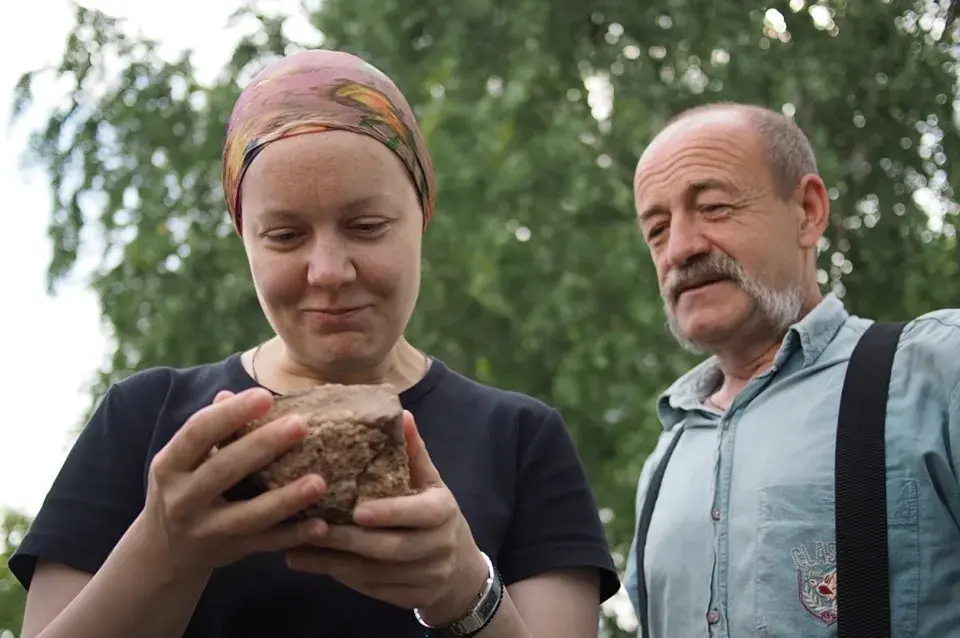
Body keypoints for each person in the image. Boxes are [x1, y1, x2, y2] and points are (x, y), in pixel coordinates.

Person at [10, 49, 619, 638]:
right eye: (283, 235)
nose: (327, 270)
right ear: (244, 239)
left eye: (366, 226)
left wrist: (464, 590)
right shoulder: (144, 418)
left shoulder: (520, 438)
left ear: (423, 214)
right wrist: (166, 546)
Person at [623, 102, 960, 636]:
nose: (681, 248)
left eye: (713, 207)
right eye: (658, 229)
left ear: (807, 211)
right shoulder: (664, 462)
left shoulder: (936, 373)